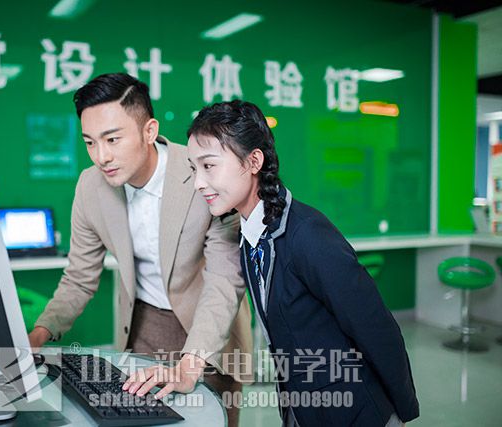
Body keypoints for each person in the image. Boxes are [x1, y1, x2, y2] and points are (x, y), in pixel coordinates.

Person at [29, 73, 252, 427]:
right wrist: (37, 335)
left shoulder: (204, 171)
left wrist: (190, 363)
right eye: (90, 143)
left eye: (112, 139)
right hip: (142, 327)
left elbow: (224, 280)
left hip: (209, 330)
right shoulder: (90, 187)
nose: (101, 156)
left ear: (149, 131)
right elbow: (79, 277)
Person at [186, 100, 419, 427]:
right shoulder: (249, 235)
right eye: (193, 168)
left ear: (253, 161)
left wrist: (402, 412)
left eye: (209, 166)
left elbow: (376, 327)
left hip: (353, 411)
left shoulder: (307, 235)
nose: (198, 182)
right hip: (304, 406)